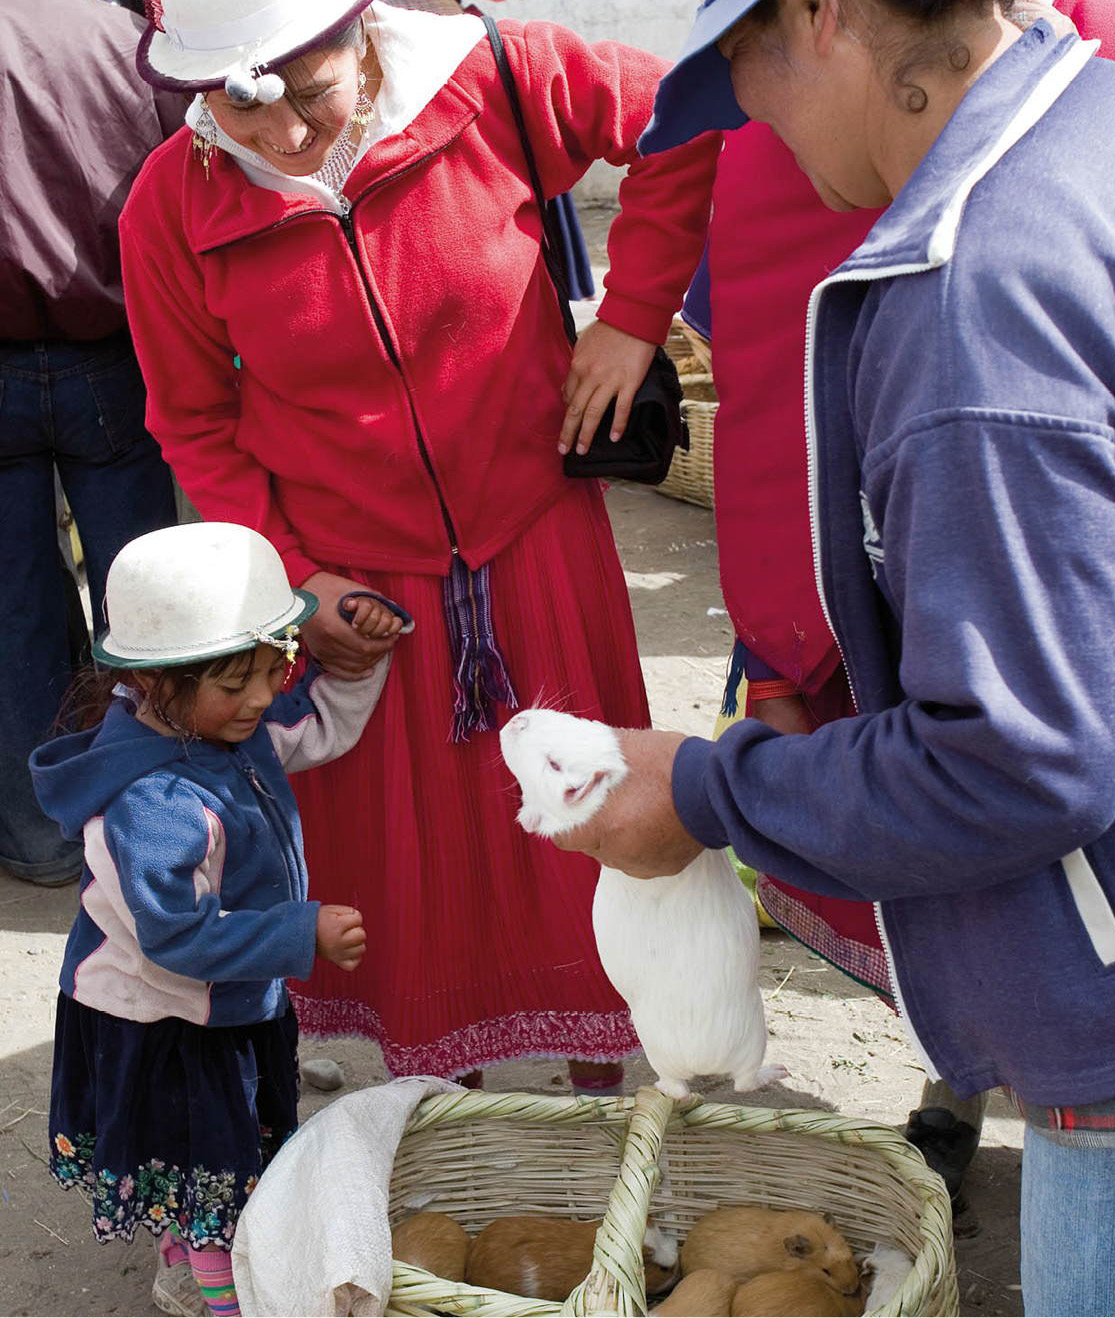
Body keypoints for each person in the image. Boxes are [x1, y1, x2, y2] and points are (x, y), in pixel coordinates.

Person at [556, 1, 1115, 1313]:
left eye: (740, 66)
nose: (743, 113)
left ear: (823, 18)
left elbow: (1019, 758)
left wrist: (702, 790)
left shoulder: (974, 302)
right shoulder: (1096, 124)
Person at [117, 0, 716, 1093]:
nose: (288, 136)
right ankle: (452, 1124)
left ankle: (603, 1106)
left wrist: (632, 314)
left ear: (368, 34)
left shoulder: (495, 77)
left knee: (585, 826)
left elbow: (687, 117)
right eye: (243, 108)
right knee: (425, 881)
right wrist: (295, 580)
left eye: (313, 91)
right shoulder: (171, 206)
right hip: (359, 591)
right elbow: (194, 425)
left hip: (537, 542)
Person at [31, 521, 404, 1318]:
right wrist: (300, 932)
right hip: (165, 1019)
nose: (265, 698)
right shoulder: (153, 803)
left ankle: (194, 1252)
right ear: (162, 684)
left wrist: (366, 659)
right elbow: (175, 938)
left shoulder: (227, 730)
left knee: (210, 1160)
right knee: (210, 1173)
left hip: (223, 999)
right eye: (238, 685)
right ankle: (225, 1298)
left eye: (275, 671)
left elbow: (320, 728)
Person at [0, 0, 182, 888]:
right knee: (146, 598)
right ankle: (163, 821)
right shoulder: (128, 40)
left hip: (45, 363)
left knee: (15, 606)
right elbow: (187, 193)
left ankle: (42, 837)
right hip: (112, 357)